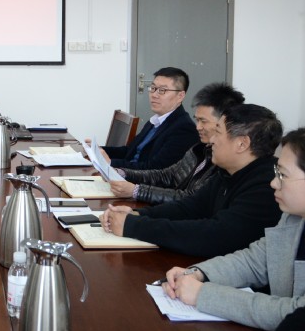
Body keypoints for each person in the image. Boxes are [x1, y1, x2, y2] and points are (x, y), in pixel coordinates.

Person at [162, 128, 305, 331]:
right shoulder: (293, 217)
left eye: (283, 175)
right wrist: (198, 273)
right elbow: (255, 261)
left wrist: (204, 294)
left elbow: (295, 314)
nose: (274, 183)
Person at [100, 103, 283, 258]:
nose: (211, 140)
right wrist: (138, 214)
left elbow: (215, 236)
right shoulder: (228, 171)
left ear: (242, 144)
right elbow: (189, 207)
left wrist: (134, 226)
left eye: (218, 132)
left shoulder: (267, 185)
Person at [109, 83, 245, 204]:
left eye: (203, 121)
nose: (198, 127)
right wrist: (124, 173)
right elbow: (168, 175)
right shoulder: (199, 148)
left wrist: (136, 191)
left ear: (225, 122)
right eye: (197, 120)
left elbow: (192, 199)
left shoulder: (226, 162)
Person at [103, 67, 199, 170]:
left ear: (180, 96)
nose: (154, 95)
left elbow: (155, 169)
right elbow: (129, 151)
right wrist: (97, 150)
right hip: (126, 173)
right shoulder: (156, 120)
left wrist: (111, 163)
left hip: (137, 178)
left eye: (162, 90)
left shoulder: (184, 128)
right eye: (153, 88)